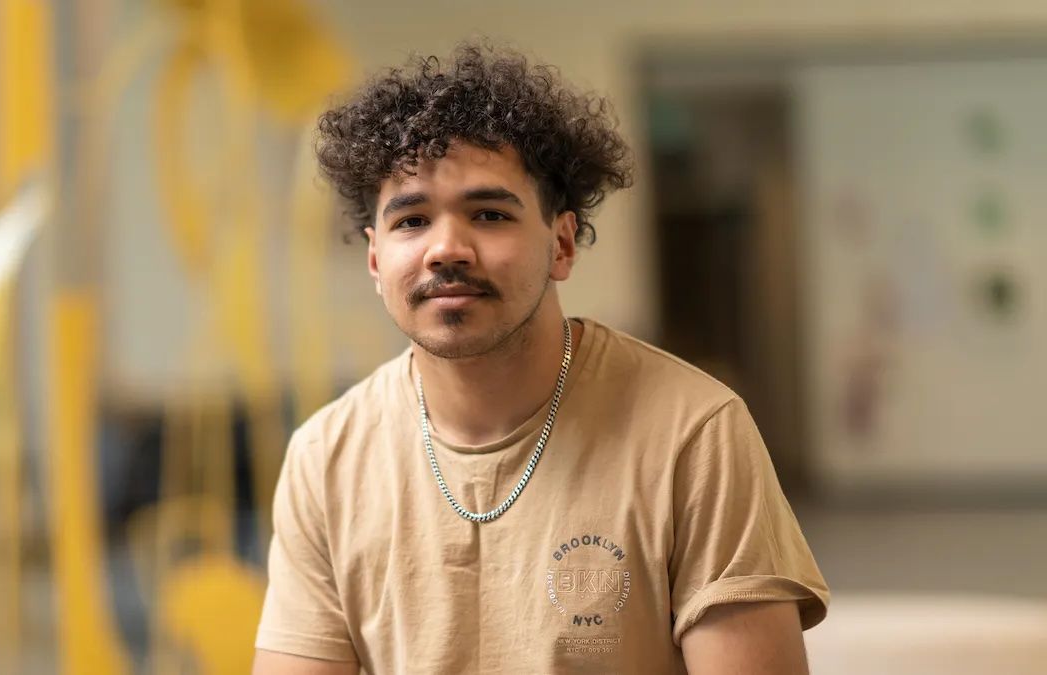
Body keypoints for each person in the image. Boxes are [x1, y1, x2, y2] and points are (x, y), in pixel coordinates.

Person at [253, 42, 828, 674]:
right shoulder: (325, 457)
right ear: (375, 259)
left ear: (561, 244)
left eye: (488, 214)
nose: (446, 249)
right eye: (412, 221)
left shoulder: (693, 433)